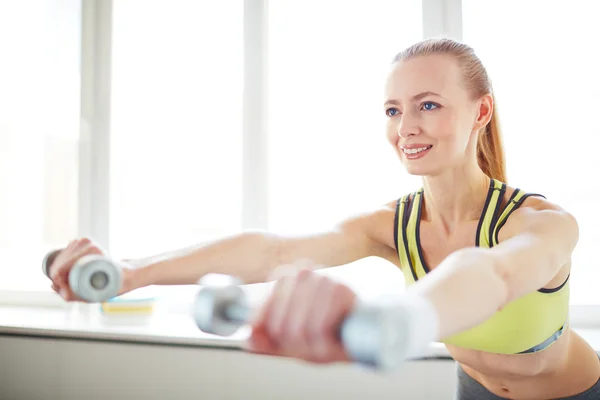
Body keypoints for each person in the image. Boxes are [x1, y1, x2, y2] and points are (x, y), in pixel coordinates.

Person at [49, 37, 600, 399]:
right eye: (393, 110)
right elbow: (273, 251)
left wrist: (396, 319)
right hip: (471, 388)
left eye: (427, 104)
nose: (405, 126)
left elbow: (493, 275)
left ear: (481, 112)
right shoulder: (393, 225)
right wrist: (128, 272)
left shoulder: (542, 223)